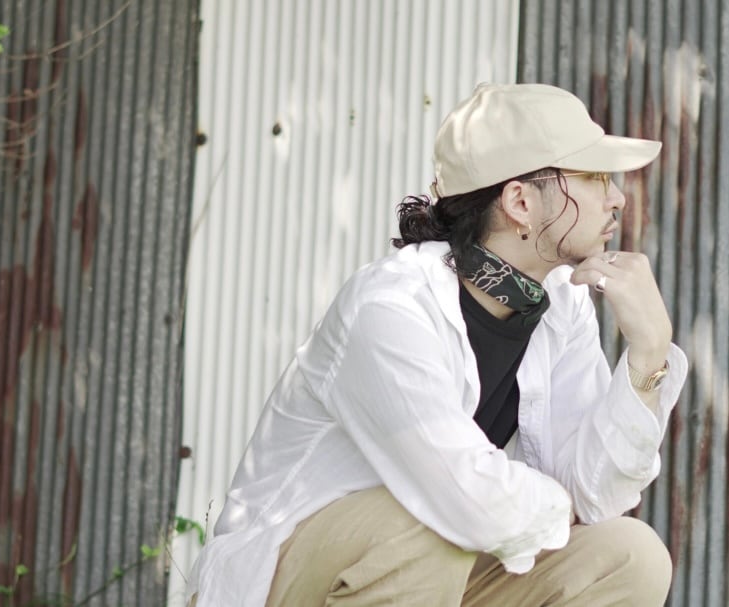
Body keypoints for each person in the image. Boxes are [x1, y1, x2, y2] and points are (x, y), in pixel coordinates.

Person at [187, 83, 689, 606]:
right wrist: (552, 505)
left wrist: (648, 353)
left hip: (430, 574)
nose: (617, 197)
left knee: (631, 557)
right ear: (520, 202)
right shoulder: (391, 307)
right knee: (432, 524)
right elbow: (462, 496)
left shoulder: (560, 301)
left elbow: (597, 494)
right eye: (594, 177)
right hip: (295, 577)